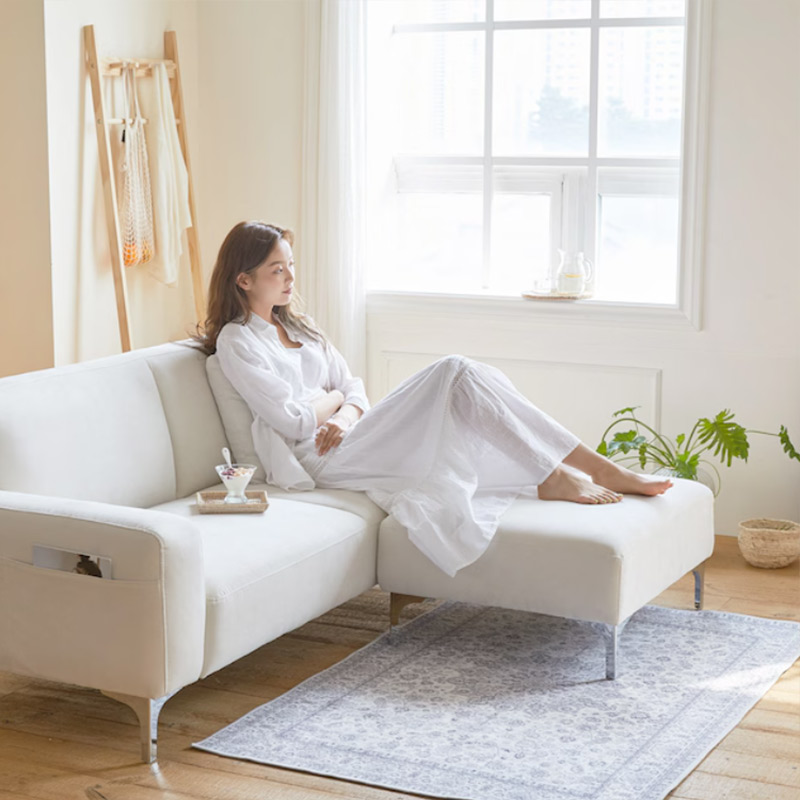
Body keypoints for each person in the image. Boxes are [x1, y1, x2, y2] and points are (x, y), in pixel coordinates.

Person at [191, 221, 673, 577]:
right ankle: (564, 472)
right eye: (277, 270)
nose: (290, 278)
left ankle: (589, 468)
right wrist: (336, 400)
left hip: (354, 434)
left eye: (291, 266)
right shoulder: (238, 342)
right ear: (244, 280)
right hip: (318, 460)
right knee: (454, 370)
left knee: (471, 375)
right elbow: (293, 421)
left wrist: (347, 408)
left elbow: (357, 387)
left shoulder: (299, 327)